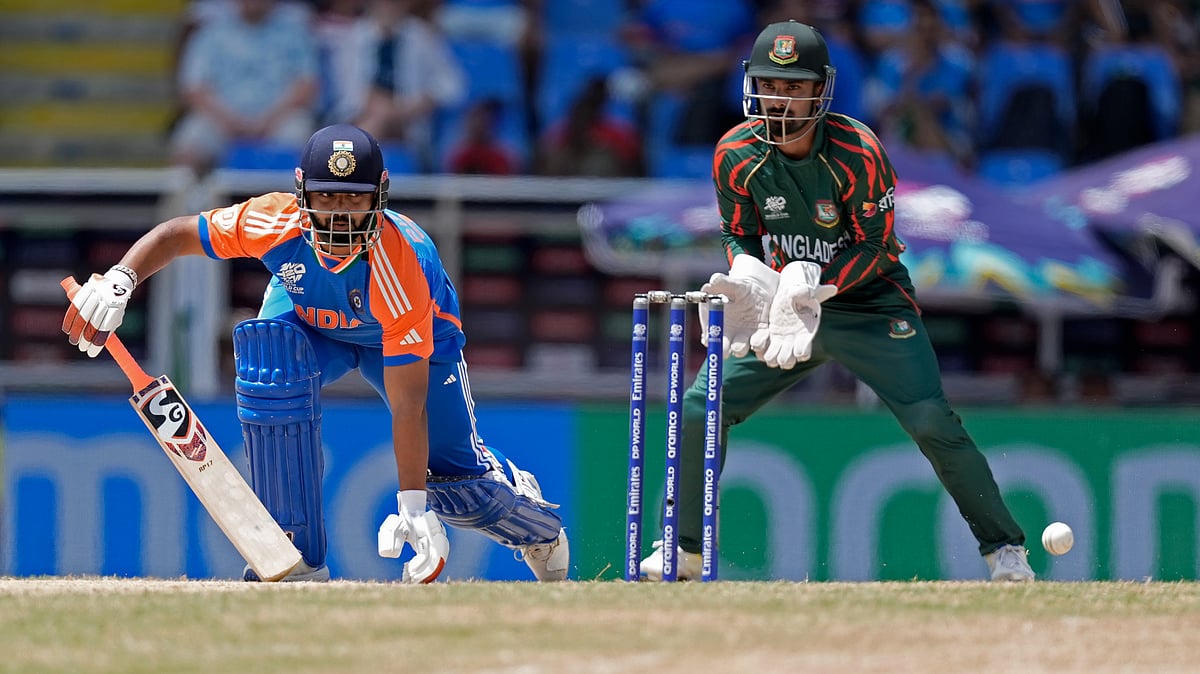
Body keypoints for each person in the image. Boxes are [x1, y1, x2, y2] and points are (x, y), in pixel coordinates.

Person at [63, 123, 569, 583]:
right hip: (314, 325)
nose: (338, 216)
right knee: (269, 358)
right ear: (301, 191)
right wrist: (119, 282)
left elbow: (408, 406)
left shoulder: (402, 264)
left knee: (458, 487)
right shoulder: (272, 220)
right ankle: (296, 554)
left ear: (381, 196)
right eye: (326, 198)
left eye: (354, 200)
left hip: (411, 340)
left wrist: (413, 503)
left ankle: (535, 522)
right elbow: (175, 234)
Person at [638, 21, 1035, 582]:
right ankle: (683, 548)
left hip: (869, 305)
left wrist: (816, 284)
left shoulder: (856, 151)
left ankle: (1005, 549)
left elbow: (876, 246)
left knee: (930, 420)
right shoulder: (735, 152)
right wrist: (749, 276)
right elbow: (739, 233)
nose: (779, 99)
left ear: (820, 90)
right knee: (701, 407)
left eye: (793, 86)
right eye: (770, 85)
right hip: (782, 311)